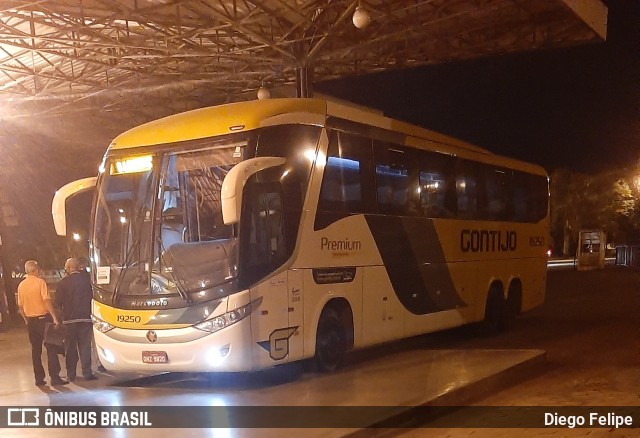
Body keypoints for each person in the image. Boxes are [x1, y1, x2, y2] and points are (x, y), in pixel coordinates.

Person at [17, 260, 68, 386]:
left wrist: (26, 320)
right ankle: (55, 377)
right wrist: (54, 318)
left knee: (35, 350)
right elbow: (46, 301)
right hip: (43, 319)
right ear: (37, 269)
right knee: (51, 347)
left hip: (31, 322)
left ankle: (39, 378)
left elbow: (20, 306)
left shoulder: (21, 285)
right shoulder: (40, 283)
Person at [55, 258, 96, 382]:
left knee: (70, 348)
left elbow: (58, 302)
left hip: (69, 320)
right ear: (78, 267)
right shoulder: (87, 281)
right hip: (85, 318)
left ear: (67, 268)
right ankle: (87, 373)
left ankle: (71, 374)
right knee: (85, 346)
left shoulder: (62, 283)